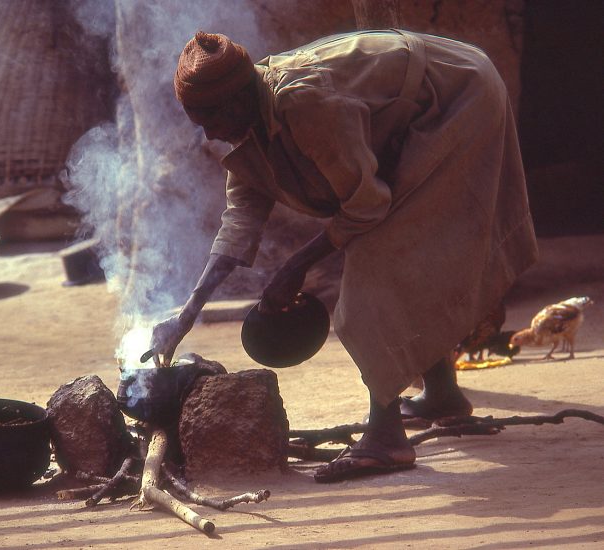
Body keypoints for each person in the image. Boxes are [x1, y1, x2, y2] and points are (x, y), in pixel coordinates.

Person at [149, 30, 538, 482]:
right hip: (422, 110)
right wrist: (186, 314)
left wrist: (296, 265)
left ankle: (387, 438)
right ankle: (443, 394)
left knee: (375, 270)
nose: (211, 134)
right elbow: (240, 220)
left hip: (458, 95)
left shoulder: (305, 103)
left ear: (238, 97)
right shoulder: (251, 121)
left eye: (211, 119)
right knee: (392, 252)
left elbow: (366, 206)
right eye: (200, 124)